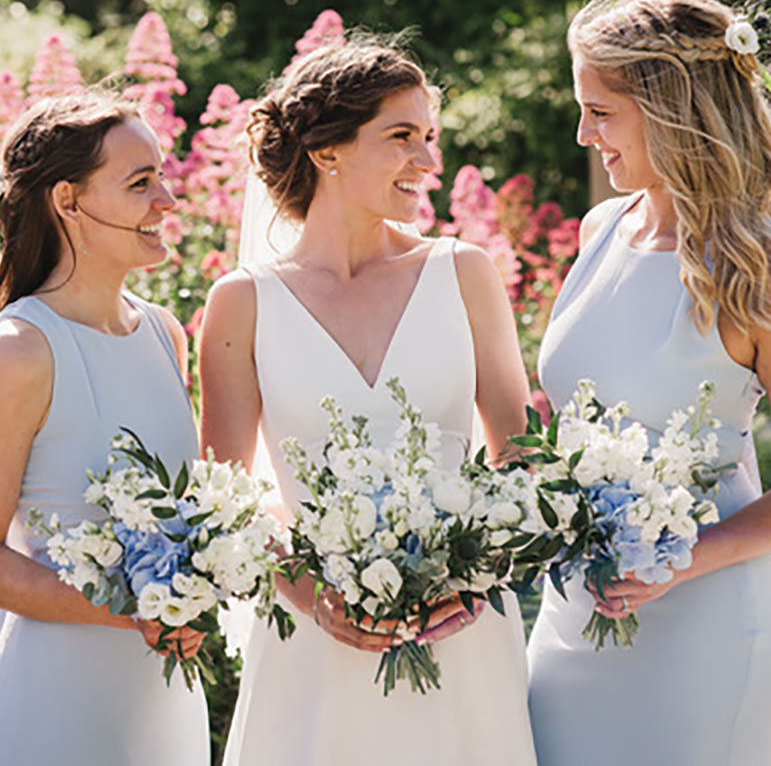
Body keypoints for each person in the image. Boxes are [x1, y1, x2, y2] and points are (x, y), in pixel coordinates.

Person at [526, 0, 771, 765]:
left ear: (673, 108)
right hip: (572, 616)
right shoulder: (602, 228)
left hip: (707, 627)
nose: (582, 134)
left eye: (600, 112)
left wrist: (676, 560)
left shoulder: (770, 272)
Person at [199, 38, 538, 766]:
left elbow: (519, 455)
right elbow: (224, 497)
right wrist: (311, 591)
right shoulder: (242, 303)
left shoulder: (464, 274)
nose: (426, 161)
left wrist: (473, 576)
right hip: (309, 645)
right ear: (327, 151)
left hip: (459, 631)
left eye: (430, 138)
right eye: (401, 138)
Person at [0, 92, 210, 765]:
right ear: (68, 201)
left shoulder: (163, 334)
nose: (168, 201)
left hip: (164, 700)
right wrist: (133, 609)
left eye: (163, 177)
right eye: (140, 183)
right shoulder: (20, 351)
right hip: (52, 706)